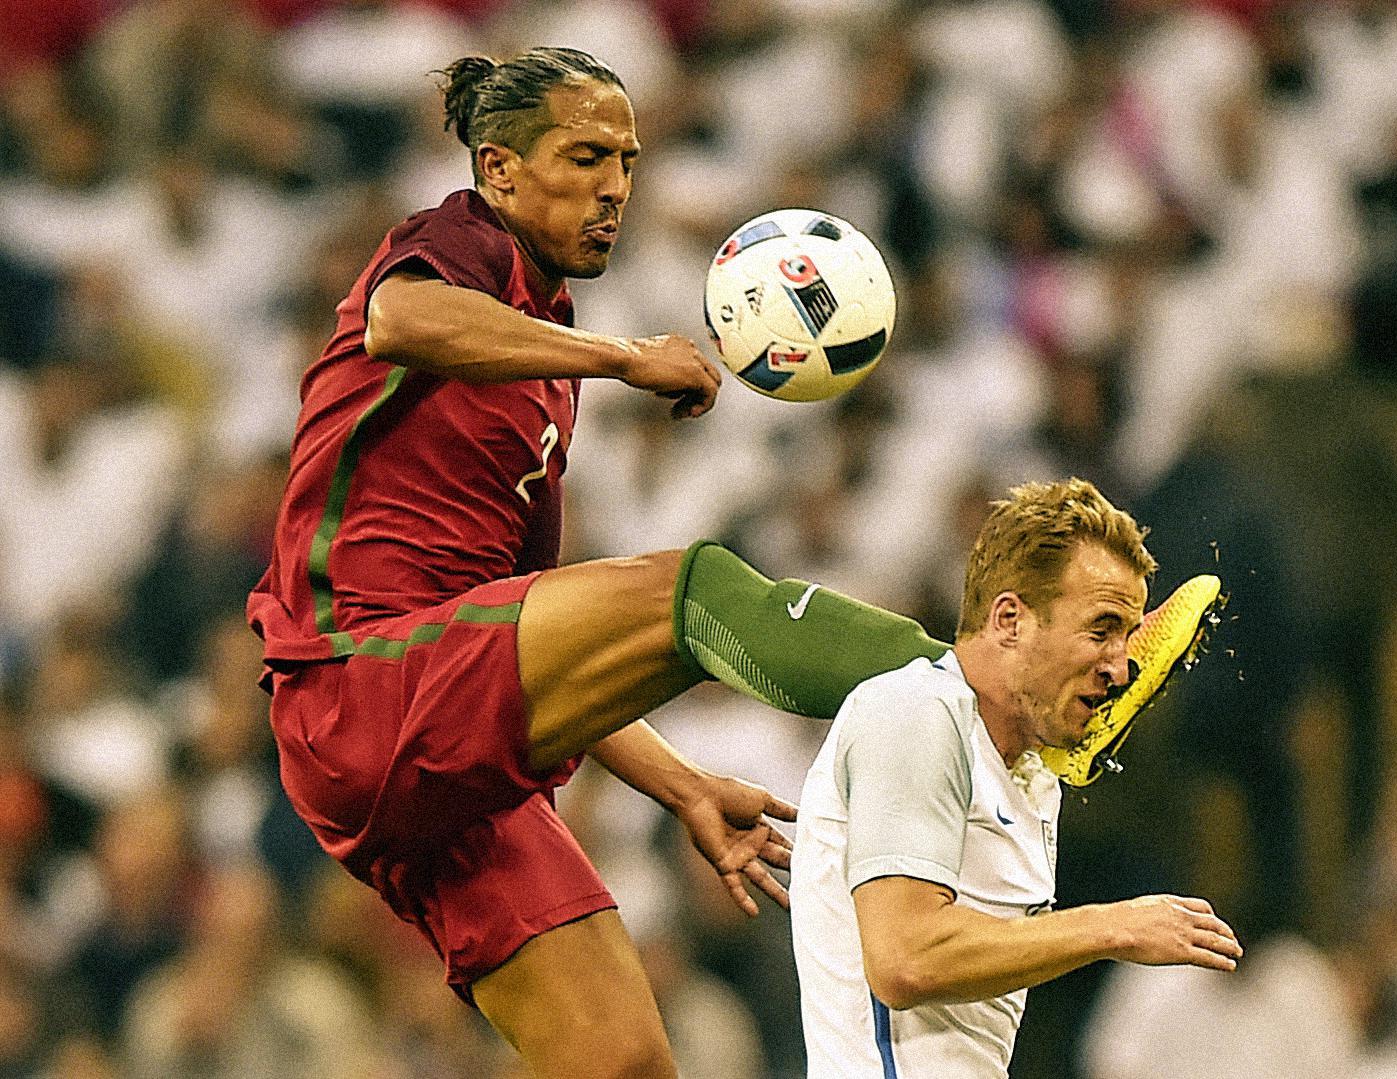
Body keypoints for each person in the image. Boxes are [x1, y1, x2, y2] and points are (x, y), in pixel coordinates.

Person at [245, 48, 950, 1078]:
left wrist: (683, 785)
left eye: (626, 160)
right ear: (499, 169)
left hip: (440, 744)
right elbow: (402, 318)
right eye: (584, 157)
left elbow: (533, 638)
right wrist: (624, 357)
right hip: (360, 681)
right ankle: (974, 679)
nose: (615, 186)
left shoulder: (541, 365)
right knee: (697, 589)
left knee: (622, 1062)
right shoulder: (456, 247)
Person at [789, 478, 1244, 1077]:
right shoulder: (915, 711)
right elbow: (905, 959)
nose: (1122, 667)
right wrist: (1112, 925)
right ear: (1009, 620)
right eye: (1102, 629)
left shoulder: (1033, 780)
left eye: (1127, 637)